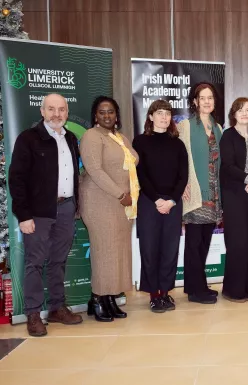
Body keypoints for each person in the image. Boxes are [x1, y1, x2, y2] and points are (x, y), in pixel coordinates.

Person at [9, 93, 83, 337]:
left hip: (66, 209)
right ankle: (32, 313)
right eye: (51, 109)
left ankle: (57, 308)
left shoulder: (70, 138)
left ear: (67, 112)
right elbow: (17, 179)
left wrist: (75, 206)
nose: (56, 114)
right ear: (42, 112)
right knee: (35, 263)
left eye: (61, 109)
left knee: (59, 261)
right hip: (38, 213)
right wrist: (23, 215)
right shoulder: (28, 139)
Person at [79, 96, 138, 322]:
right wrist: (120, 194)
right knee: (104, 252)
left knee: (117, 252)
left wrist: (128, 195)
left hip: (122, 205)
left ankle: (109, 298)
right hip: (101, 202)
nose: (107, 115)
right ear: (95, 115)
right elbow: (94, 170)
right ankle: (97, 299)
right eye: (102, 112)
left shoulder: (119, 138)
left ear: (116, 115)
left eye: (111, 112)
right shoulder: (92, 136)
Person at [133, 99, 188, 313]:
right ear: (150, 116)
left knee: (169, 249)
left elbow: (183, 175)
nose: (164, 117)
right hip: (149, 202)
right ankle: (154, 295)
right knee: (149, 248)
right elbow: (141, 174)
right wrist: (157, 200)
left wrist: (172, 200)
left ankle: (165, 293)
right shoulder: (140, 142)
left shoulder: (178, 143)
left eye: (167, 113)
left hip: (173, 203)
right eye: (159, 113)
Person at [177, 82, 223, 304]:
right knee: (194, 243)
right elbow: (177, 157)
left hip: (214, 194)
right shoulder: (185, 126)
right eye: (202, 98)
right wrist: (182, 182)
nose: (207, 102)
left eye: (210, 98)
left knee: (204, 242)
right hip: (195, 192)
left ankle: (199, 284)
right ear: (194, 101)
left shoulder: (218, 128)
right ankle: (195, 291)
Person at [219, 97, 248, 302]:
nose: (244, 113)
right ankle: (233, 289)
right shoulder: (228, 136)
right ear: (234, 114)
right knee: (238, 242)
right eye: (240, 110)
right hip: (235, 194)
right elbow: (227, 166)